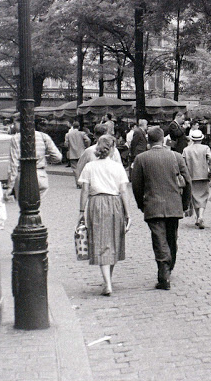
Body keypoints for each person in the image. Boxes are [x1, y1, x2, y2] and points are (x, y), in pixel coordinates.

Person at [131, 126, 191, 291]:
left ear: (148, 141)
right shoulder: (176, 157)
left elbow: (136, 185)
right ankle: (168, 267)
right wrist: (184, 204)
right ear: (163, 138)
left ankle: (164, 272)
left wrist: (140, 204)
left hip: (153, 204)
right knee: (172, 237)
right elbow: (188, 182)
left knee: (159, 239)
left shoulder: (141, 159)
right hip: (174, 204)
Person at [78, 136, 131, 296]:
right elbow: (123, 191)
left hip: (96, 203)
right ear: (112, 148)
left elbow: (85, 190)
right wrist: (128, 213)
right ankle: (108, 281)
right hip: (115, 203)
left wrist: (81, 211)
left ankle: (107, 282)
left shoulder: (89, 167)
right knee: (114, 241)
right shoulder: (117, 167)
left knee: (101, 240)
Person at [6, 118, 62, 200]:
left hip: (23, 174)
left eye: (15, 123)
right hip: (40, 174)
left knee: (25, 207)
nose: (13, 126)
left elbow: (14, 164)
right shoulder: (44, 136)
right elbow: (58, 157)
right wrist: (45, 159)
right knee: (38, 205)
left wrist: (10, 186)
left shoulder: (16, 138)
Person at [182, 129, 211, 229]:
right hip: (204, 175)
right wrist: (210, 171)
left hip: (191, 176)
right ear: (201, 139)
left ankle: (198, 217)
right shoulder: (205, 148)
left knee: (194, 197)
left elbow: (182, 163)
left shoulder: (186, 150)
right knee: (204, 196)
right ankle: (201, 216)